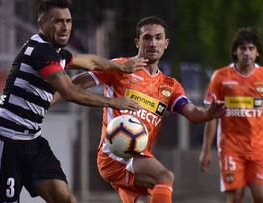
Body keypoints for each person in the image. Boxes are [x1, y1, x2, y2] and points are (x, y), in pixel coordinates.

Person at [0, 0, 146, 203]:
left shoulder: (55, 51)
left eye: (68, 21)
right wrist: (113, 102)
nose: (65, 27)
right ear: (41, 24)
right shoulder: (41, 52)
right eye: (58, 21)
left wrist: (120, 67)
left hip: (32, 142)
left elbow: (90, 61)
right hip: (5, 143)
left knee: (66, 199)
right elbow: (69, 92)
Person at [58, 16, 227, 203]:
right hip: (115, 154)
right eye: (147, 38)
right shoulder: (121, 67)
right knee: (165, 176)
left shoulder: (170, 86)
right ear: (137, 42)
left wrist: (209, 113)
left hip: (137, 159)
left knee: (154, 193)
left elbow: (193, 113)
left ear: (166, 43)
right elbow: (76, 83)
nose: (153, 43)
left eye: (158, 37)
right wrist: (48, 100)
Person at [199, 27, 263, 203]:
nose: (247, 53)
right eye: (243, 48)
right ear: (235, 51)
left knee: (260, 195)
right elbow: (210, 116)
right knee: (235, 197)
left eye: (251, 49)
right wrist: (206, 150)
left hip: (259, 148)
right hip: (231, 147)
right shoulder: (220, 77)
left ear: (257, 53)